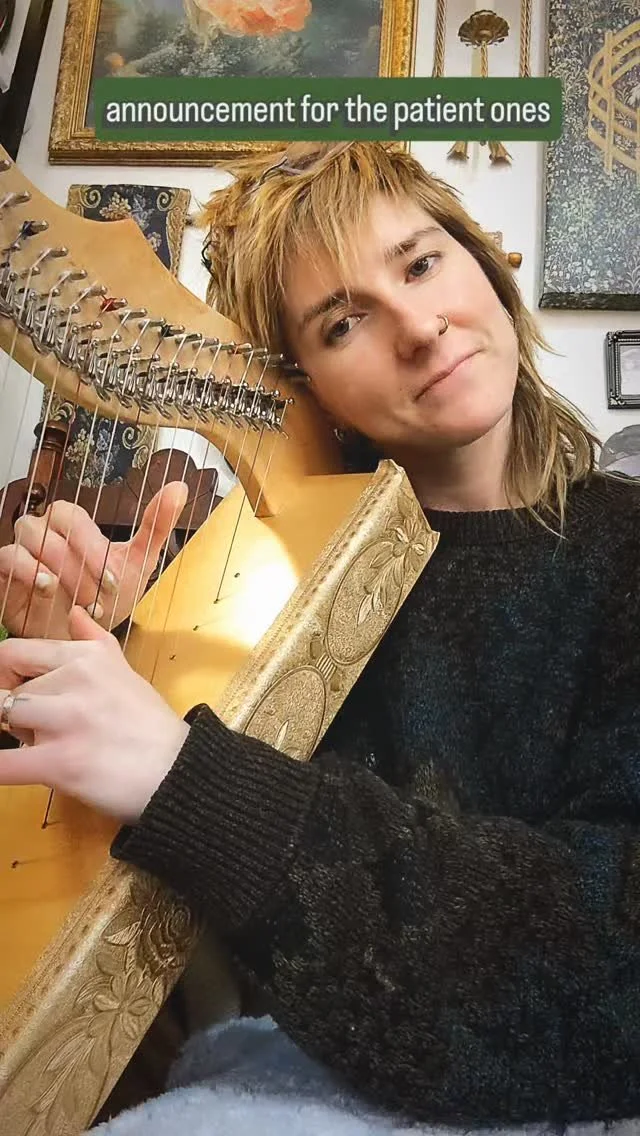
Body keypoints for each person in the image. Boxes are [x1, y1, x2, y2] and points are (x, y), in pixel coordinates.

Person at [1, 141, 640, 1129]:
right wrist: (91, 651)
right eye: (344, 322)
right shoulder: (262, 580)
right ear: (303, 388)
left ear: (481, 262)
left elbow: (610, 951)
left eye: (420, 264)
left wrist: (189, 778)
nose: (419, 328)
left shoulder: (624, 550)